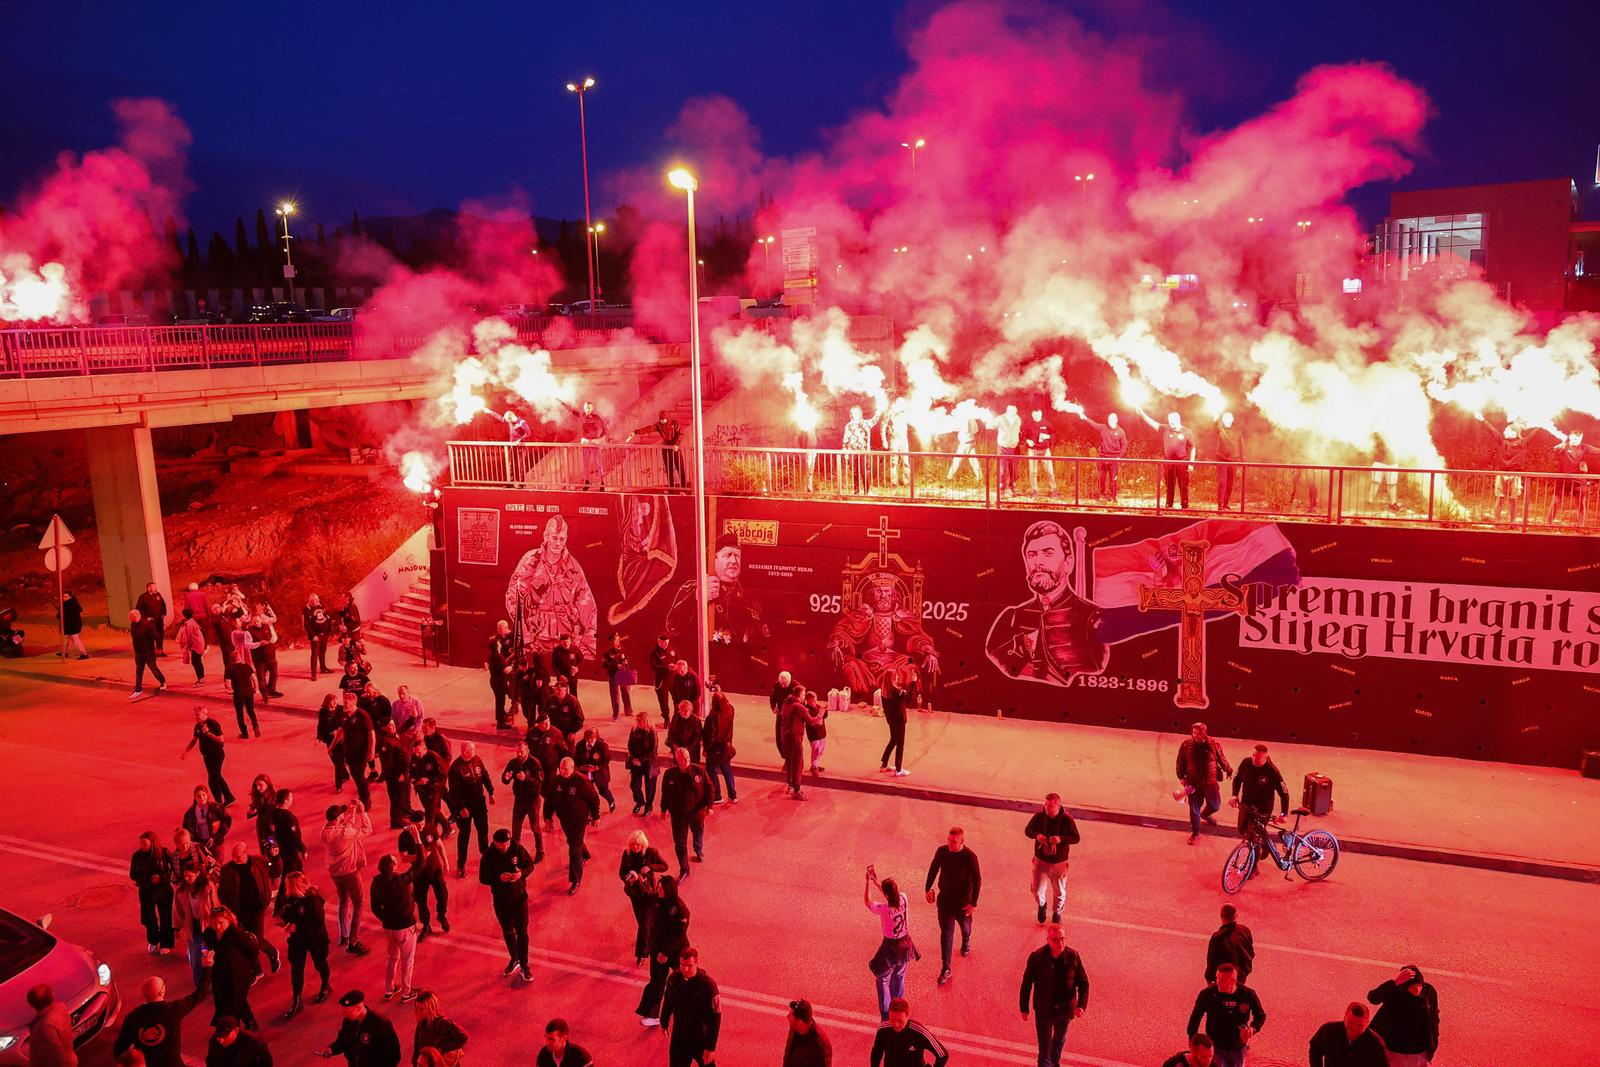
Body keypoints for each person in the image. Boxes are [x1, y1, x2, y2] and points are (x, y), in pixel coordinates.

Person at [985, 520, 1106, 687]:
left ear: (1069, 563)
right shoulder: (1013, 616)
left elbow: (1098, 669)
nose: (1038, 562)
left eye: (1048, 553)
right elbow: (997, 656)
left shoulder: (1092, 616)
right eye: (1031, 555)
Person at [1019, 923, 1089, 1067]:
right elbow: (1026, 983)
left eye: (1063, 938)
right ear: (1048, 940)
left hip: (1064, 1011)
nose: (1060, 943)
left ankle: (1055, 1062)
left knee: (1059, 1040)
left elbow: (1083, 982)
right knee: (1044, 1048)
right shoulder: (1037, 958)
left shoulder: (1073, 957)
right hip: (1044, 1010)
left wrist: (1081, 1005)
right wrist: (1023, 1007)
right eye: (1056, 940)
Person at [113, 973, 211, 1066]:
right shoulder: (173, 1010)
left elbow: (119, 1049)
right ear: (162, 991)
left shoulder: (132, 1018)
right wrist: (207, 966)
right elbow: (200, 994)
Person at [924, 826, 980, 985]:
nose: (950, 843)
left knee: (965, 928)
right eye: (948, 840)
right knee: (946, 933)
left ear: (962, 841)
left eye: (954, 841)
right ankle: (946, 967)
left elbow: (977, 880)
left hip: (963, 903)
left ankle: (966, 940)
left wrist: (973, 903)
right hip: (945, 901)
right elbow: (933, 869)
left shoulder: (970, 857)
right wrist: (927, 888)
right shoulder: (942, 851)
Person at [479, 830, 535, 982]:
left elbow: (530, 865)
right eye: (500, 845)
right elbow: (482, 878)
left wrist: (521, 874)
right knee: (508, 930)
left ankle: (524, 964)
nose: (504, 848)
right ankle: (514, 958)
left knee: (522, 932)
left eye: (506, 845)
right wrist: (498, 878)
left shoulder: (517, 849)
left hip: (519, 897)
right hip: (501, 899)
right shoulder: (489, 856)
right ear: (494, 843)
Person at [1186, 963, 1266, 1067]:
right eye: (1217, 978)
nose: (1218, 983)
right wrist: (1193, 1042)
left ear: (1233, 980)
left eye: (1222, 980)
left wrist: (1253, 1028)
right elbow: (1195, 1018)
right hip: (1216, 1047)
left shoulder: (1248, 994)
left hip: (1239, 1048)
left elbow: (1260, 1016)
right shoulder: (1207, 994)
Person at [202, 906, 268, 1032]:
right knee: (228, 998)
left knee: (236, 998)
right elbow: (203, 944)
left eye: (221, 923)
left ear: (229, 920)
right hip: (220, 972)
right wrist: (205, 953)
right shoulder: (209, 933)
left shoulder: (237, 933)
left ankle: (237, 1025)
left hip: (238, 974)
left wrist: (254, 967)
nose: (218, 927)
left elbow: (253, 948)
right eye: (214, 923)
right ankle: (247, 1022)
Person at [636, 876, 691, 1026]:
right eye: (658, 888)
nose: (658, 891)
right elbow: (646, 897)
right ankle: (652, 1015)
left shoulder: (680, 909)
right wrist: (638, 883)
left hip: (676, 951)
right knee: (656, 982)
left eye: (661, 889)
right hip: (658, 950)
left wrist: (666, 951)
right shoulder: (657, 900)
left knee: (685, 980)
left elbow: (679, 933)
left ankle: (689, 1010)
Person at [864, 870, 918, 1022]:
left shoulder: (884, 909)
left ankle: (886, 1016)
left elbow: (868, 902)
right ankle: (898, 1008)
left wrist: (868, 883)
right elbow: (892, 896)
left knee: (882, 980)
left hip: (890, 946)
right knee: (899, 975)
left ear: (886, 895)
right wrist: (877, 883)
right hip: (905, 943)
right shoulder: (904, 898)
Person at [320, 801, 372, 956]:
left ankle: (344, 935)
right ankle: (353, 941)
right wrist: (362, 812)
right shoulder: (345, 833)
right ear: (338, 818)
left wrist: (351, 812)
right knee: (359, 903)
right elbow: (366, 830)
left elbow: (344, 826)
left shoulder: (324, 831)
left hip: (335, 873)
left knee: (343, 900)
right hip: (349, 872)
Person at [279, 870, 332, 1018]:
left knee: (320, 963)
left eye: (288, 886)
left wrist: (297, 926)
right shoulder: (291, 899)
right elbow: (287, 914)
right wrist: (285, 922)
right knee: (296, 969)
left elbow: (318, 922)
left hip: (315, 939)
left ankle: (325, 984)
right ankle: (297, 998)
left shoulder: (312, 900)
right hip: (298, 941)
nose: (286, 888)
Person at [545, 756, 601, 893]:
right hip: (564, 819)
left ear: (572, 768)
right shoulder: (556, 781)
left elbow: (594, 799)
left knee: (573, 849)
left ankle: (575, 880)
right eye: (561, 768)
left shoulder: (582, 782)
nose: (563, 771)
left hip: (579, 820)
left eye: (566, 769)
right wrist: (547, 817)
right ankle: (585, 854)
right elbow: (549, 800)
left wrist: (596, 816)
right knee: (573, 841)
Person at [368, 855, 419, 1003]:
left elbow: (374, 907)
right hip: (405, 926)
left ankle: (389, 989)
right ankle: (406, 992)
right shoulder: (400, 881)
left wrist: (385, 918)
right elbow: (419, 864)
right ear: (394, 867)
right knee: (408, 960)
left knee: (392, 958)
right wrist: (418, 840)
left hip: (389, 927)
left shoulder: (376, 882)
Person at [659, 946, 721, 1067]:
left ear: (697, 963)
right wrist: (664, 1020)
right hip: (679, 1038)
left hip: (701, 1039)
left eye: (689, 965)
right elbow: (668, 1000)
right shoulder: (673, 980)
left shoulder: (708, 986)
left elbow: (716, 1017)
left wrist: (711, 1047)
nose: (685, 969)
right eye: (682, 964)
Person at [1230, 743, 1289, 871]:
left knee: (1254, 838)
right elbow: (1237, 779)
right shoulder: (1246, 763)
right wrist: (1234, 795)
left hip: (1263, 809)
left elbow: (1284, 793)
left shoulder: (1272, 771)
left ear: (1265, 758)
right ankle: (1265, 844)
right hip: (1246, 804)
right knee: (1242, 829)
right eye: (1254, 756)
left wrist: (1284, 814)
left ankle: (1253, 868)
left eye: (1258, 758)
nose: (1255, 760)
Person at [1366, 965, 1440, 1067]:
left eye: (1420, 985)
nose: (1418, 990)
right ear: (1404, 987)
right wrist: (1394, 982)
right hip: (1396, 1052)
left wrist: (1433, 1044)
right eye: (1413, 987)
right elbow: (1373, 998)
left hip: (1420, 1053)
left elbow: (1434, 1017)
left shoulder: (1429, 991)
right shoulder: (1395, 991)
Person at [1024, 793, 1080, 925]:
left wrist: (1061, 839)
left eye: (1051, 805)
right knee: (1037, 890)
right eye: (1046, 805)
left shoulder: (1067, 821)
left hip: (1059, 863)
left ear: (1058, 805)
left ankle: (1057, 912)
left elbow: (1076, 838)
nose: (1048, 808)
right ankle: (1042, 904)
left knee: (1059, 891)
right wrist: (1037, 836)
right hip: (1040, 860)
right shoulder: (1039, 817)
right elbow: (1028, 831)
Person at [218, 845, 278, 962]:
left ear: (246, 853)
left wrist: (275, 858)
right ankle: (255, 965)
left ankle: (271, 953)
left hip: (257, 909)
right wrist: (228, 911)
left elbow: (275, 871)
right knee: (244, 939)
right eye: (233, 857)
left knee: (257, 938)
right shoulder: (226, 870)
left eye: (238, 856)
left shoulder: (260, 862)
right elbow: (222, 893)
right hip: (239, 911)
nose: (235, 859)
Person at [397, 809, 449, 940]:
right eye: (418, 824)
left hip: (435, 869)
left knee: (443, 896)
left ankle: (441, 915)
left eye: (422, 823)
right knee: (421, 901)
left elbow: (439, 845)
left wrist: (446, 862)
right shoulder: (404, 836)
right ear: (411, 823)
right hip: (419, 874)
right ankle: (426, 926)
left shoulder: (430, 827)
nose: (421, 827)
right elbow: (403, 858)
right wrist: (420, 855)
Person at [1177, 722, 1233, 845]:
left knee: (1215, 805)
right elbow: (1180, 761)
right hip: (1193, 782)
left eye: (1198, 733)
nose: (1195, 736)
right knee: (1194, 808)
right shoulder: (1186, 745)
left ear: (1204, 733)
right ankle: (1195, 833)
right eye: (1193, 733)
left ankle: (1206, 815)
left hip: (1210, 782)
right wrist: (1181, 776)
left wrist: (1228, 770)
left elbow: (1221, 758)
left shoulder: (1213, 743)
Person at [660, 748, 712, 879]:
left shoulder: (699, 771)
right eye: (682, 760)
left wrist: (709, 806)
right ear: (677, 760)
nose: (686, 762)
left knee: (698, 832)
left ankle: (698, 850)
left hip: (696, 813)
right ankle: (684, 869)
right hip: (678, 815)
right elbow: (665, 793)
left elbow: (710, 788)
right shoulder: (669, 774)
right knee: (680, 844)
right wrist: (663, 809)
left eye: (687, 759)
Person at [315, 989, 402, 1065]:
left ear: (358, 1009)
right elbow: (343, 1041)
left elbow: (393, 1056)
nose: (344, 1014)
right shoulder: (349, 1021)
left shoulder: (380, 1024)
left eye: (347, 1011)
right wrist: (332, 1049)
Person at [445, 742, 494, 877]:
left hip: (479, 804)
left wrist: (491, 792)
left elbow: (484, 775)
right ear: (465, 752)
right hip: (465, 808)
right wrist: (461, 808)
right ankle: (461, 864)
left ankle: (486, 856)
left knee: (483, 830)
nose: (475, 751)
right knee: (464, 835)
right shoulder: (455, 768)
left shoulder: (477, 760)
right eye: (472, 749)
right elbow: (454, 792)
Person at [620, 831, 671, 962]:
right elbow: (621, 873)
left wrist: (650, 867)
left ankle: (641, 953)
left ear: (643, 844)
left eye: (638, 844)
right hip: (634, 892)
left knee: (644, 924)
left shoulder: (652, 852)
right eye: (633, 844)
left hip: (648, 893)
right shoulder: (627, 854)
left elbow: (665, 866)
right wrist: (629, 877)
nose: (635, 847)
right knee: (641, 920)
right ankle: (649, 936)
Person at [1138, 409, 1197, 508]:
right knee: (1169, 485)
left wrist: (1191, 463)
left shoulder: (1187, 432)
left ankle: (1184, 505)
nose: (1171, 423)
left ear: (1178, 420)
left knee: (1183, 485)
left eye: (1173, 421)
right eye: (1170, 421)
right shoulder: (1165, 429)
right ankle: (1169, 504)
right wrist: (1142, 414)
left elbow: (1193, 448)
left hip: (1182, 463)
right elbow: (1153, 423)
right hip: (1168, 463)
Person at [131, 833, 177, 956]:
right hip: (146, 890)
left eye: (144, 843)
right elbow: (133, 874)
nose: (141, 846)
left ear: (152, 843)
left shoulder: (164, 853)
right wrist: (147, 880)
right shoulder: (137, 856)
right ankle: (153, 939)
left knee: (166, 917)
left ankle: (166, 943)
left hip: (163, 889)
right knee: (148, 917)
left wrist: (161, 878)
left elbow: (172, 870)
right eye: (140, 843)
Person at [869, 998, 947, 1067]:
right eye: (892, 1019)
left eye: (900, 1020)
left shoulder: (919, 1032)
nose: (896, 1024)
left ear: (908, 1015)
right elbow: (876, 1054)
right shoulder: (883, 1030)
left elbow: (943, 1054)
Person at [501, 741, 546, 857]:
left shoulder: (534, 763)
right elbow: (505, 777)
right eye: (517, 752)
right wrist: (506, 778)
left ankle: (540, 851)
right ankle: (516, 852)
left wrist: (526, 778)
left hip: (532, 801)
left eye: (522, 752)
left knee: (535, 826)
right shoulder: (513, 763)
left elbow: (539, 782)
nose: (519, 754)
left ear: (527, 751)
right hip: (519, 800)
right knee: (516, 828)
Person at [184, 706, 236, 805]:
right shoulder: (198, 726)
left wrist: (208, 733)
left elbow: (221, 739)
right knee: (217, 776)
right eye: (195, 715)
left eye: (198, 714)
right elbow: (195, 739)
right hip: (206, 755)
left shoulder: (213, 724)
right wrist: (186, 751)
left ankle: (218, 802)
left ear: (205, 714)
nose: (196, 717)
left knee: (212, 779)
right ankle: (229, 797)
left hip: (216, 754)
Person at [1309, 1002, 1388, 1067]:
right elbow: (1315, 1050)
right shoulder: (1329, 1030)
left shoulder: (1375, 1043)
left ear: (1367, 1023)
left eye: (1360, 1025)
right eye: (1351, 1022)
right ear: (1345, 1015)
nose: (1354, 1028)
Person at [1075, 408, 1128, 501]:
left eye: (1112, 420)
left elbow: (1124, 445)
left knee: (1113, 479)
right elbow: (1094, 423)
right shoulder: (1103, 427)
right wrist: (1084, 417)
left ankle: (1113, 496)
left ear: (1116, 420)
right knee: (1101, 479)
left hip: (1114, 458)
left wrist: (1119, 457)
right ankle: (1101, 494)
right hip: (1102, 457)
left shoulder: (1121, 431)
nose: (1110, 421)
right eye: (1109, 420)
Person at [335, 696, 375, 810]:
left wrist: (371, 752)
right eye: (344, 702)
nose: (344, 705)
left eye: (346, 703)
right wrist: (332, 746)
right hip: (349, 752)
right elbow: (341, 730)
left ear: (353, 703)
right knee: (355, 776)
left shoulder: (362, 715)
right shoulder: (344, 715)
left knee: (359, 776)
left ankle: (365, 800)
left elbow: (372, 734)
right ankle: (362, 797)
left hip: (360, 753)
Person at [627, 409, 685, 488]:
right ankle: (671, 488)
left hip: (675, 449)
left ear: (667, 418)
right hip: (666, 449)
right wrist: (635, 432)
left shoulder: (675, 424)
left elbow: (680, 434)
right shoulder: (659, 425)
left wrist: (676, 444)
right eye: (660, 419)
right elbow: (648, 428)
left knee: (680, 468)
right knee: (669, 469)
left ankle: (685, 488)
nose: (662, 421)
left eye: (663, 419)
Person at [410, 990, 467, 1065]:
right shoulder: (421, 1023)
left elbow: (463, 1037)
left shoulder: (443, 1023)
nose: (418, 1012)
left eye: (421, 1009)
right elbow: (417, 1048)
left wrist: (442, 1049)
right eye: (416, 1008)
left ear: (430, 1008)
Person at [562, 399, 609, 488]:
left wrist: (598, 438)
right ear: (584, 408)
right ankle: (587, 482)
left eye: (589, 408)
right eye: (586, 408)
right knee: (586, 463)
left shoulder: (597, 418)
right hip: (585, 442)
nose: (588, 409)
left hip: (594, 443)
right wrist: (561, 402)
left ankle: (602, 483)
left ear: (592, 408)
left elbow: (605, 429)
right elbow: (571, 410)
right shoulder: (581, 416)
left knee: (598, 463)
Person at [703, 684, 738, 804]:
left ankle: (717, 795)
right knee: (727, 770)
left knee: (711, 771)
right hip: (726, 746)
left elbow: (710, 736)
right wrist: (720, 693)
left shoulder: (712, 717)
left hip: (715, 749)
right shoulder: (730, 710)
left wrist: (706, 748)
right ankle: (733, 795)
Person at [1205, 904, 1254, 984]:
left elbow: (1211, 961)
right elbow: (1251, 952)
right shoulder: (1245, 930)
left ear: (1221, 916)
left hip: (1225, 978)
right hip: (1242, 975)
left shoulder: (1217, 937)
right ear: (1236, 915)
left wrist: (1209, 979)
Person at [574, 725, 616, 813]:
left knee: (603, 791)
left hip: (599, 773)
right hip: (585, 773)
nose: (589, 741)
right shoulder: (580, 745)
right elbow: (576, 758)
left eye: (591, 738)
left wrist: (596, 767)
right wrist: (581, 766)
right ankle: (591, 811)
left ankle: (611, 801)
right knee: (588, 793)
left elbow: (606, 759)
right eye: (587, 738)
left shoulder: (602, 745)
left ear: (596, 736)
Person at [182, 785, 233, 856]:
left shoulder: (217, 808)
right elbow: (186, 831)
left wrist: (217, 837)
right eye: (198, 796)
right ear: (195, 797)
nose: (202, 798)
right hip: (199, 846)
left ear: (207, 795)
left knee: (218, 866)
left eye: (203, 795)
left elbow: (227, 821)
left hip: (216, 844)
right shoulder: (190, 813)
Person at [627, 711, 661, 815]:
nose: (638, 722)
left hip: (649, 763)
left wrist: (641, 760)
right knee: (634, 785)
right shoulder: (634, 730)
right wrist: (634, 758)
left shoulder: (652, 732)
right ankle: (639, 801)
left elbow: (653, 750)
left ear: (645, 721)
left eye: (640, 720)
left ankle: (648, 806)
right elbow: (630, 745)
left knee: (650, 788)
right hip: (636, 763)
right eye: (637, 720)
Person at [129, 608, 168, 699]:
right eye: (130, 618)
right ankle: (138, 689)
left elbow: (157, 636)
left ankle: (163, 681)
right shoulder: (133, 625)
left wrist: (159, 647)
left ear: (136, 616)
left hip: (148, 651)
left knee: (153, 668)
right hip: (138, 652)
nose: (131, 619)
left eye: (131, 617)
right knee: (139, 670)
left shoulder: (147, 625)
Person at [783, 998, 833, 1067]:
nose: (787, 1017)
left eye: (791, 1016)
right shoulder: (794, 1029)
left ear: (800, 1022)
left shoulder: (820, 1046)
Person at [487, 620, 518, 729]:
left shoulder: (493, 656)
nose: (499, 643)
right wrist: (512, 666)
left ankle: (504, 714)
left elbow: (503, 662)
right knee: (500, 701)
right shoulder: (498, 656)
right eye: (498, 643)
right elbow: (505, 669)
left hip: (496, 680)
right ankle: (500, 723)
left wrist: (510, 657)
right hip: (499, 681)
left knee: (501, 699)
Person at [879, 674, 910, 777]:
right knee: (900, 745)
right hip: (899, 721)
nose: (897, 677)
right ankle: (899, 769)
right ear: (892, 679)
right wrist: (913, 684)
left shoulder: (884, 693)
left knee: (893, 740)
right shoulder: (897, 693)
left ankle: (884, 765)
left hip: (891, 722)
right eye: (896, 676)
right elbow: (908, 700)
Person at [843, 404, 879, 493]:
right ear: (851, 414)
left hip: (863, 451)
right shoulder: (848, 426)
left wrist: (878, 412)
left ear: (859, 413)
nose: (855, 414)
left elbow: (874, 420)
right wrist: (845, 451)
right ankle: (856, 490)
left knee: (864, 472)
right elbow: (845, 439)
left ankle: (866, 491)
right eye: (853, 412)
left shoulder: (865, 423)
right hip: (852, 452)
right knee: (855, 472)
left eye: (856, 412)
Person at [1214, 411, 1244, 510]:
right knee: (1222, 482)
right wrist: (1216, 414)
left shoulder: (1237, 431)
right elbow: (1215, 423)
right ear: (1222, 419)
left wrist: (1243, 461)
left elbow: (1241, 446)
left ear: (1232, 420)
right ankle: (1220, 505)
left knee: (1230, 483)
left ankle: (1226, 503)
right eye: (1225, 418)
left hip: (1234, 460)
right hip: (1222, 460)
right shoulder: (1219, 429)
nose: (1227, 419)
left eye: (1229, 418)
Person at [1024, 407, 1056, 494]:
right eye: (1034, 414)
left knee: (1050, 471)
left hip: (1045, 450)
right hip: (1033, 450)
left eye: (1037, 414)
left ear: (1041, 413)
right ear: (1032, 414)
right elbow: (1023, 436)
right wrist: (1027, 441)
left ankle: (1053, 490)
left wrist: (1048, 436)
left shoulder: (1047, 423)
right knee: (1033, 472)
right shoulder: (1028, 424)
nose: (1035, 416)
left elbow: (1053, 435)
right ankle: (1034, 490)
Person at [602, 632, 634, 719]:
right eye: (612, 641)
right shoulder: (607, 652)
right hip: (613, 675)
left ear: (618, 641)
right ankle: (615, 713)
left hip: (623, 674)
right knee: (615, 695)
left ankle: (628, 711)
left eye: (615, 640)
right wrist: (616, 666)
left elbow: (627, 662)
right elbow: (605, 664)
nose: (614, 642)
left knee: (626, 693)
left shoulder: (624, 650)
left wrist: (626, 667)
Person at [994, 403, 1023, 493]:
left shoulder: (1018, 419)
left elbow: (1018, 431)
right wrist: (989, 424)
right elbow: (991, 425)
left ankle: (1012, 486)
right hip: (1003, 447)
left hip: (1014, 448)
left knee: (1014, 469)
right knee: (1002, 470)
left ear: (1016, 411)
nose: (1012, 412)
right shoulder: (1000, 418)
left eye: (1014, 410)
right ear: (1007, 410)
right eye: (1010, 410)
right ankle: (1002, 488)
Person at [304, 593, 334, 680]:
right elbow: (307, 624)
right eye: (312, 601)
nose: (315, 602)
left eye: (317, 600)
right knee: (315, 654)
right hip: (316, 636)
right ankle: (313, 673)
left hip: (324, 634)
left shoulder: (321, 606)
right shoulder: (307, 609)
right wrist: (313, 635)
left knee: (323, 652)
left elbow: (328, 617)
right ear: (309, 601)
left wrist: (329, 631)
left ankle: (323, 668)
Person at [136, 581, 169, 654]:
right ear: (149, 588)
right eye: (153, 587)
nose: (155, 588)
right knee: (152, 635)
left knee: (160, 635)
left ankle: (160, 650)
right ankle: (151, 651)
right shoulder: (143, 597)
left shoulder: (158, 595)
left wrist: (164, 613)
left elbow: (163, 604)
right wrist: (146, 617)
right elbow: (139, 609)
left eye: (155, 587)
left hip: (159, 620)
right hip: (150, 621)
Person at [667, 698, 703, 764]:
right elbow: (670, 732)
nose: (683, 713)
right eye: (681, 711)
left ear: (690, 710)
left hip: (691, 753)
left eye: (686, 711)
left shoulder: (695, 720)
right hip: (678, 750)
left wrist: (687, 749)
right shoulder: (676, 717)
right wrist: (674, 745)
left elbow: (697, 738)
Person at [178, 608, 207, 687]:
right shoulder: (192, 622)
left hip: (196, 646)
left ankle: (202, 680)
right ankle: (201, 679)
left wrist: (187, 647)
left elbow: (189, 637)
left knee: (196, 662)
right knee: (197, 662)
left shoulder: (189, 624)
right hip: (198, 645)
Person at [650, 634, 676, 722]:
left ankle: (677, 716)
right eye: (663, 643)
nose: (665, 645)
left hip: (673, 678)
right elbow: (653, 666)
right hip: (661, 680)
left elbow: (678, 659)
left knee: (677, 698)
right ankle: (666, 718)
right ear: (659, 641)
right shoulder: (654, 652)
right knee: (663, 701)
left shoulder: (672, 649)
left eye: (666, 643)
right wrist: (666, 667)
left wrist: (677, 666)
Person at [58, 590, 89, 659]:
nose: (64, 598)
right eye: (63, 596)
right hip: (71, 625)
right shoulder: (71, 603)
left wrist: (59, 614)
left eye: (65, 596)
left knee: (75, 640)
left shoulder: (69, 604)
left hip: (72, 626)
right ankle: (65, 652)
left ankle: (84, 653)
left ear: (70, 597)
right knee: (66, 639)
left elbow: (65, 614)